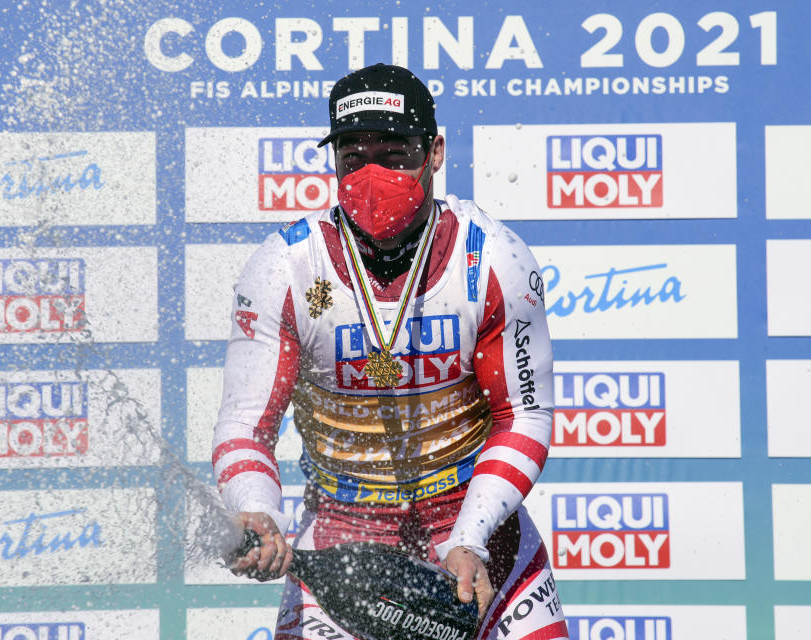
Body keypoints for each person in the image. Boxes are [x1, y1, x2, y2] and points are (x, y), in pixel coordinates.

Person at [213, 63, 567, 640]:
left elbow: (523, 415)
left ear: (436, 153)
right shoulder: (286, 267)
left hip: (480, 534)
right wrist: (258, 511)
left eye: (396, 153)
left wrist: (470, 538)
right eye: (353, 158)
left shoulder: (493, 259)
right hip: (343, 539)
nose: (374, 176)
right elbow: (244, 425)